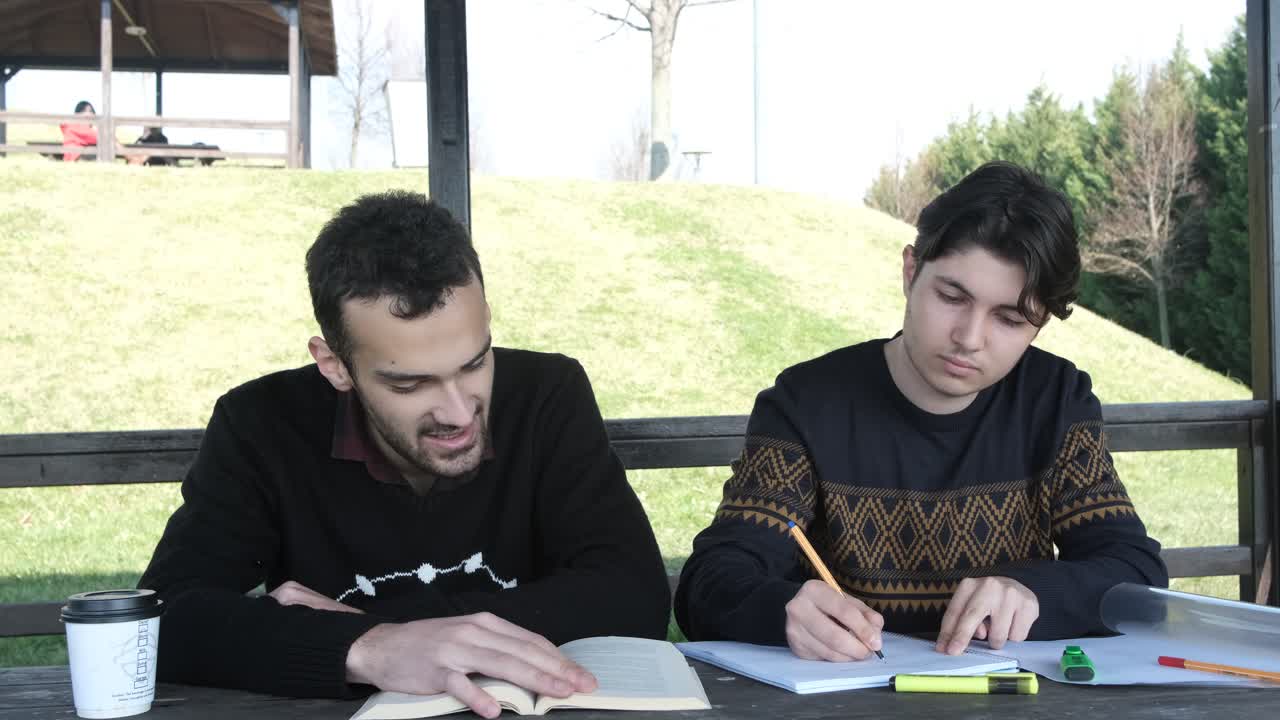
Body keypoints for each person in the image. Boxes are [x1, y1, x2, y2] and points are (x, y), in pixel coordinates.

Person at [138, 192, 670, 716]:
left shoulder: (547, 393)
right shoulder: (262, 422)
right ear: (334, 365)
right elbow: (161, 618)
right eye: (410, 384)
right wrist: (371, 650)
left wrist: (370, 630)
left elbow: (633, 594)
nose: (459, 413)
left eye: (474, 363)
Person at [674, 161, 1168, 662]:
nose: (969, 339)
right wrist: (780, 611)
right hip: (846, 693)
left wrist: (1036, 592)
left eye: (1010, 319)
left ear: (1039, 325)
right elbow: (708, 584)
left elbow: (1137, 574)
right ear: (911, 272)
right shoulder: (806, 404)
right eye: (952, 297)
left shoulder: (1055, 400)